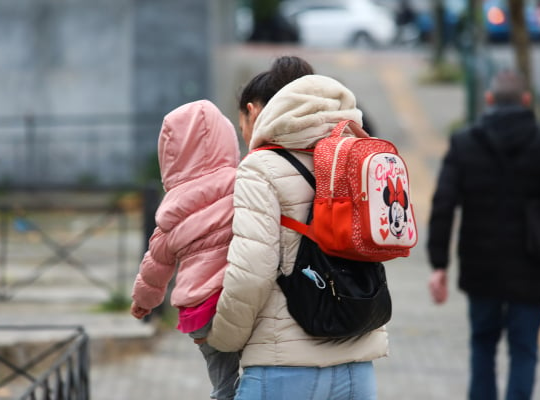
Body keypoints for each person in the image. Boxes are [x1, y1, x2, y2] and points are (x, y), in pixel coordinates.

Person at [202, 74, 387, 400]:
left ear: (255, 113)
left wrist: (223, 338)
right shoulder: (356, 159)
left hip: (283, 368)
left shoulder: (260, 167)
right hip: (358, 365)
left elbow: (252, 273)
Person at [427, 69, 540, 400]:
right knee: (524, 350)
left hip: (480, 265)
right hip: (531, 263)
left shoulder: (464, 142)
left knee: (482, 346)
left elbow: (443, 204)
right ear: (527, 101)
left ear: (488, 100)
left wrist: (438, 264)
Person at [130, 99, 241, 400]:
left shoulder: (172, 209)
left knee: (223, 380)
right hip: (236, 301)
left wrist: (145, 300)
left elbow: (155, 265)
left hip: (198, 313)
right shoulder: (242, 185)